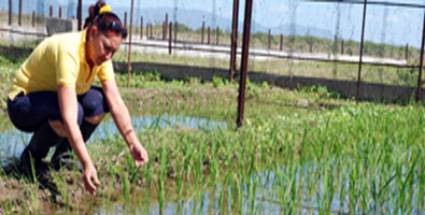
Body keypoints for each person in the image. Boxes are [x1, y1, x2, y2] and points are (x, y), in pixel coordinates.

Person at [6, 1, 148, 196]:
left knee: (100, 102)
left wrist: (133, 142)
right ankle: (30, 160)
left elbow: (115, 101)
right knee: (75, 113)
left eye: (113, 52)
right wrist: (87, 163)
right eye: (106, 47)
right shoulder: (69, 50)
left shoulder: (102, 57)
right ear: (93, 31)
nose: (108, 55)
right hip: (22, 104)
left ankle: (62, 158)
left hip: (49, 99)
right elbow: (69, 116)